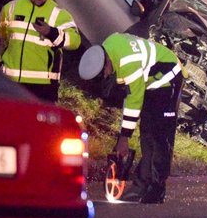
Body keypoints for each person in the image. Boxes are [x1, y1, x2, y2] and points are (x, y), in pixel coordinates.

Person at [79, 32, 186, 204]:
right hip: (150, 82)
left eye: (104, 73)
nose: (106, 76)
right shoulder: (109, 46)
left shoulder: (127, 63)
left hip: (168, 78)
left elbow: (133, 101)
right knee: (146, 134)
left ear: (106, 61)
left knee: (160, 137)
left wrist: (124, 138)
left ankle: (157, 188)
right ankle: (141, 185)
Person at [0, 0, 80, 102]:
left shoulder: (60, 14)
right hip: (9, 81)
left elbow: (75, 41)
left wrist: (51, 32)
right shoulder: (11, 8)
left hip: (42, 87)